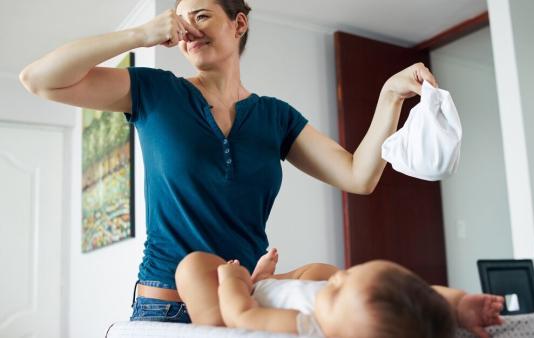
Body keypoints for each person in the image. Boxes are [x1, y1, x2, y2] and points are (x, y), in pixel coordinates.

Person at [19, 0, 443, 324]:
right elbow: (39, 79)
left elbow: (358, 175)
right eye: (180, 23)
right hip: (165, 306)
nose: (188, 31)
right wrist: (141, 34)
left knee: (331, 278)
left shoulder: (276, 117)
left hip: (248, 304)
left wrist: (390, 97)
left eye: (202, 16)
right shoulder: (156, 92)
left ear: (238, 23)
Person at [177, 249, 504, 338]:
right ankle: (264, 280)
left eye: (337, 292)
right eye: (349, 275)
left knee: (193, 267)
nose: (337, 281)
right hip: (272, 289)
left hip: (238, 304)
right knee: (320, 271)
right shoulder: (350, 314)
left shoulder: (306, 326)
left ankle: (252, 285)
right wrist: (458, 305)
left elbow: (242, 316)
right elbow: (417, 298)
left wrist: (233, 280)